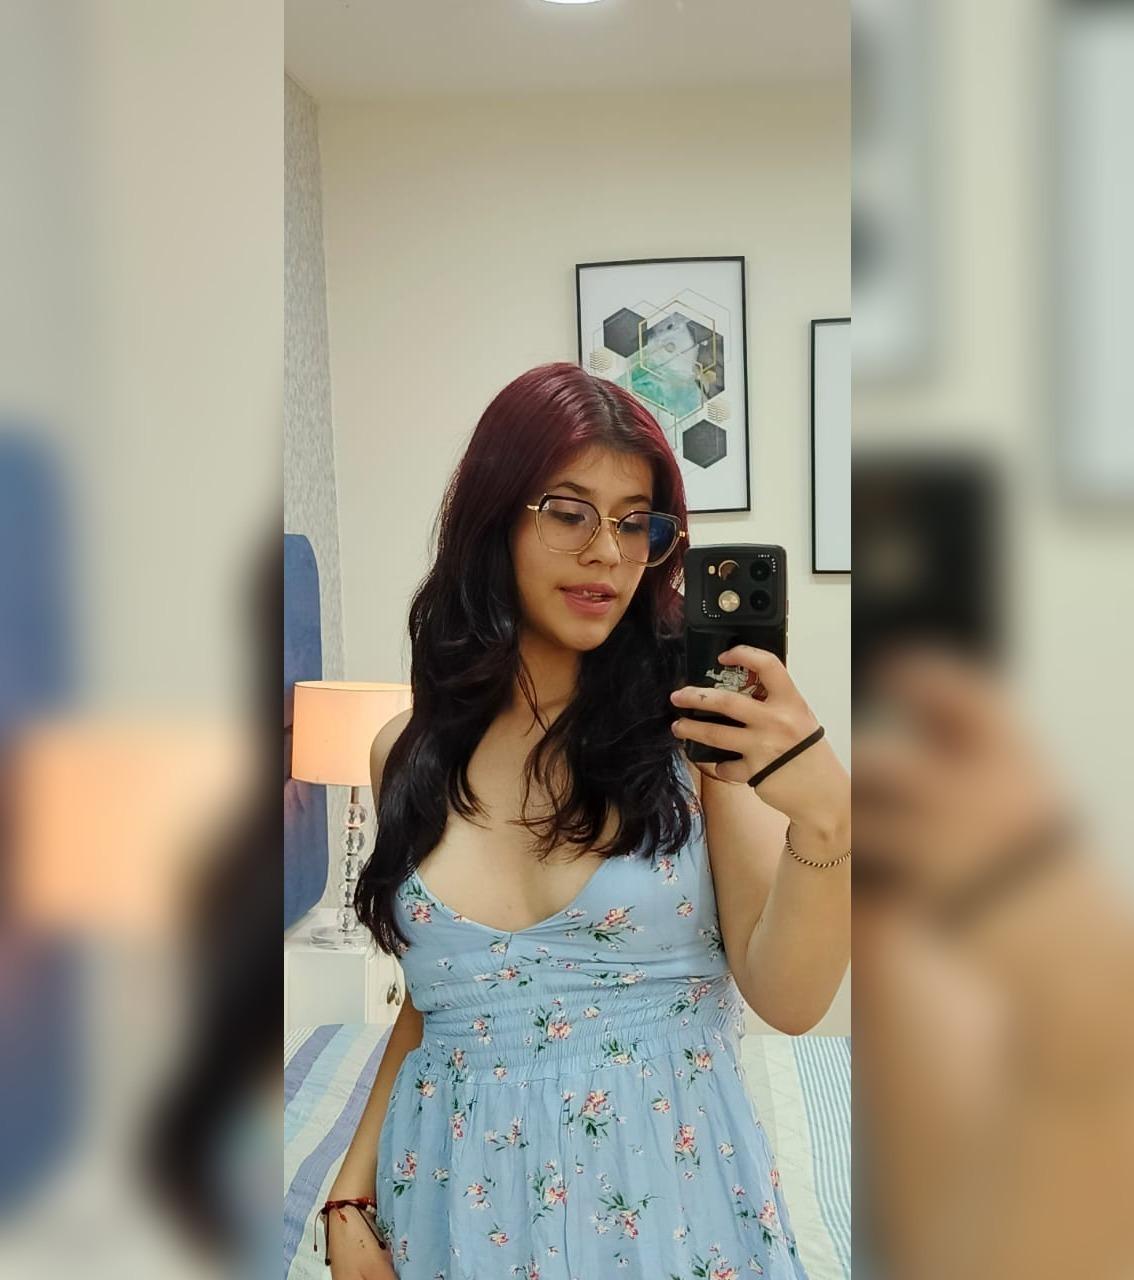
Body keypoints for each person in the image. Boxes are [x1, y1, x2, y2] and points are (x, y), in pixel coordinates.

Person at [322, 362, 850, 1279]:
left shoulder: (696, 731)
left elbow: (791, 1001)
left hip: (667, 1205)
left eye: (635, 520)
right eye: (569, 513)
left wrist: (829, 821)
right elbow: (437, 999)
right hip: (450, 1206)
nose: (608, 551)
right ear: (494, 519)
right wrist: (349, 1187)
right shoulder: (404, 752)